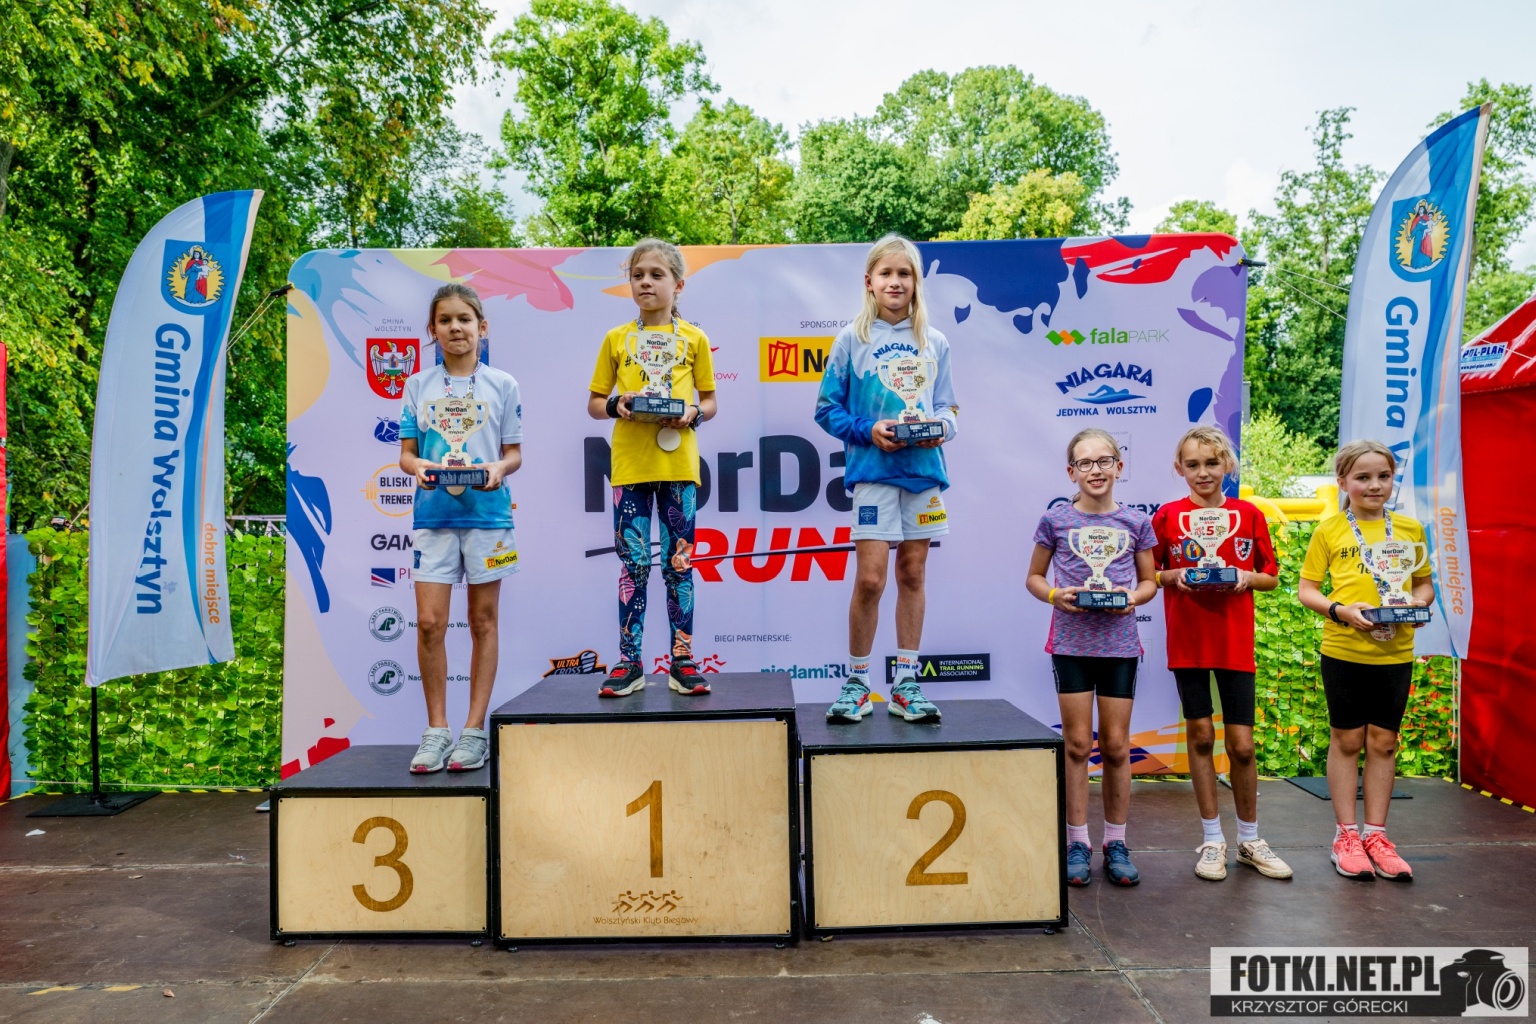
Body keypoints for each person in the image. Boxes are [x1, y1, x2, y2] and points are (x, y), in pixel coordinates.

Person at [815, 234, 959, 724]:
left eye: (904, 273)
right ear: (869, 282)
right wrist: (869, 430)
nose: (895, 282)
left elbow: (949, 408)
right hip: (874, 473)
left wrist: (939, 429)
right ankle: (857, 683)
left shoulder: (935, 341)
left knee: (912, 574)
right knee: (871, 579)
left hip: (924, 473)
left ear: (916, 282)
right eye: (886, 273)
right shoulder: (850, 339)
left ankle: (906, 685)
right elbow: (826, 410)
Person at [1151, 426, 1291, 882]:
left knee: (1242, 745)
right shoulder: (1167, 516)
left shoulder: (1248, 514)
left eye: (1212, 463)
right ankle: (1212, 838)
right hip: (1188, 641)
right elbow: (1151, 574)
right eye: (1193, 464)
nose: (1203, 472)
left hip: (1234, 641)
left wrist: (1246, 578)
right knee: (1199, 737)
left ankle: (1250, 839)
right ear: (1179, 469)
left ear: (1227, 465)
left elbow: (1271, 576)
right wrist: (1175, 576)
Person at [398, 283, 523, 773]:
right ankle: (436, 731)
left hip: (488, 517)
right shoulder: (418, 385)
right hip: (434, 517)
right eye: (445, 320)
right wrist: (418, 468)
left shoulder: (503, 384)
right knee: (430, 623)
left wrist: (499, 468)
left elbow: (513, 454)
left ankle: (473, 731)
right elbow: (407, 454)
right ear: (432, 329)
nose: (456, 327)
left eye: (464, 319)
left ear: (481, 327)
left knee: (482, 621)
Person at [1297, 440, 1434, 881]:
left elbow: (1424, 585)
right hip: (1344, 652)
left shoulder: (1410, 529)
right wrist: (1339, 611)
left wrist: (1416, 604)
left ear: (1393, 479)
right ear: (1343, 482)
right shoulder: (1330, 530)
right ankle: (1346, 837)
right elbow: (1307, 590)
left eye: (1383, 476)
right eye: (1363, 477)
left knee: (1384, 742)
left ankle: (1376, 836)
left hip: (1396, 653)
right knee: (1347, 740)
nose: (1375, 485)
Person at [1026, 428, 1157, 886]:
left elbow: (1149, 582)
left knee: (1118, 747)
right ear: (1071, 472)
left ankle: (1115, 842)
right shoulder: (1055, 520)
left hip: (1120, 647)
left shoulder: (1136, 522)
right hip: (1071, 645)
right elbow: (1034, 578)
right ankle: (1077, 842)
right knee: (1078, 745)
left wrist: (1132, 597)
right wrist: (1056, 595)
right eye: (1085, 463)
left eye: (1104, 461)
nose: (1095, 470)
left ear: (1119, 467)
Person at [588, 239, 717, 697]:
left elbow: (710, 402)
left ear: (678, 285)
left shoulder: (695, 339)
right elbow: (594, 404)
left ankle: (682, 661)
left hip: (679, 466)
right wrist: (617, 404)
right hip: (630, 468)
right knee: (634, 566)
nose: (645, 282)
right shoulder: (616, 339)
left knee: (679, 565)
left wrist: (692, 413)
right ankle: (630, 662)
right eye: (638, 274)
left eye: (657, 274)